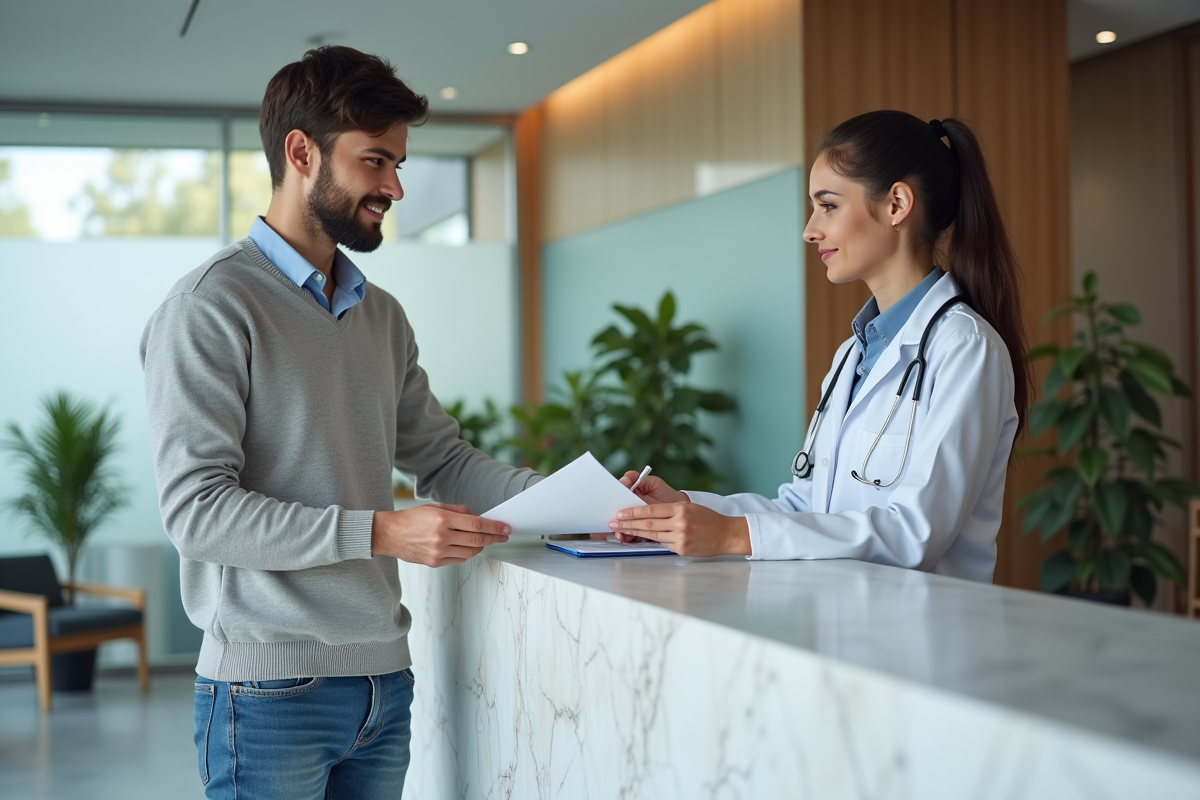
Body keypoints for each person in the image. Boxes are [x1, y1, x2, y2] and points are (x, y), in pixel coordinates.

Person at [140, 46, 532, 799]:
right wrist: (384, 531)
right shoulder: (211, 308)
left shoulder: (380, 316)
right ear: (300, 153)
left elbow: (444, 463)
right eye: (376, 162)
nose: (395, 187)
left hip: (384, 685)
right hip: (266, 695)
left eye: (399, 164)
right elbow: (197, 513)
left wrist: (586, 498)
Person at [609, 110, 1027, 583]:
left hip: (922, 638)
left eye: (827, 206)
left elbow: (916, 532)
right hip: (838, 627)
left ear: (896, 204)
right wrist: (685, 507)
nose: (810, 230)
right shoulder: (853, 355)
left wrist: (731, 535)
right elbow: (806, 507)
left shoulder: (966, 349)